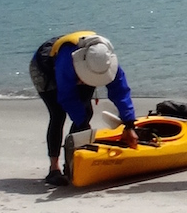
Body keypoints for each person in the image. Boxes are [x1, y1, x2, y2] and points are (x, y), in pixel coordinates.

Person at [28, 31, 137, 185]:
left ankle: (71, 164)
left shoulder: (107, 61)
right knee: (58, 114)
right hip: (46, 69)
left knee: (86, 112)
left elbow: (121, 91)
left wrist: (129, 124)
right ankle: (54, 169)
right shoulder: (67, 62)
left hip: (77, 67)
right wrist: (82, 124)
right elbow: (66, 97)